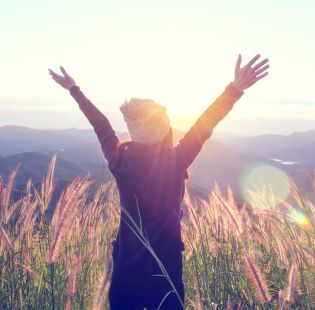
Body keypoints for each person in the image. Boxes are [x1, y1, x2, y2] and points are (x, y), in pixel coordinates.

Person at [49, 54, 269, 309]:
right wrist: (234, 89)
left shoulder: (119, 162)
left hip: (125, 270)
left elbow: (101, 125)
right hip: (166, 272)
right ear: (164, 130)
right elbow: (204, 125)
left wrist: (74, 89)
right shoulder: (175, 162)